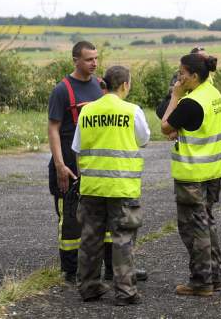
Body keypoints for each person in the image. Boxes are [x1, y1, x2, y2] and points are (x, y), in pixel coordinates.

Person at [72, 66, 150, 305]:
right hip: (121, 187)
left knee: (90, 239)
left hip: (93, 187)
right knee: (123, 239)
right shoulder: (132, 111)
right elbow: (143, 139)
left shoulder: (87, 112)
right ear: (125, 85)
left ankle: (89, 288)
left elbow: (77, 148)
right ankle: (125, 292)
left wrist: (83, 178)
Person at [161, 52, 221, 297]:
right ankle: (214, 276)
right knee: (207, 223)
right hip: (213, 172)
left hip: (192, 175)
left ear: (194, 76)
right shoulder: (213, 94)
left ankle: (200, 281)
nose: (179, 77)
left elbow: (165, 125)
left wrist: (175, 96)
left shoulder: (190, 101)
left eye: (182, 73)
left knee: (194, 229)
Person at [46, 40, 110, 283]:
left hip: (93, 167)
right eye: (88, 59)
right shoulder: (62, 90)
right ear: (75, 61)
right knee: (70, 221)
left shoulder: (100, 86)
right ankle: (70, 272)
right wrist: (60, 165)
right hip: (69, 168)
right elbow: (53, 129)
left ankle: (103, 267)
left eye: (96, 58)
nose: (94, 63)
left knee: (99, 218)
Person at [155, 46, 205, 120]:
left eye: (205, 58)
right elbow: (172, 91)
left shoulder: (206, 75)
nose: (205, 61)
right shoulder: (181, 74)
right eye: (201, 58)